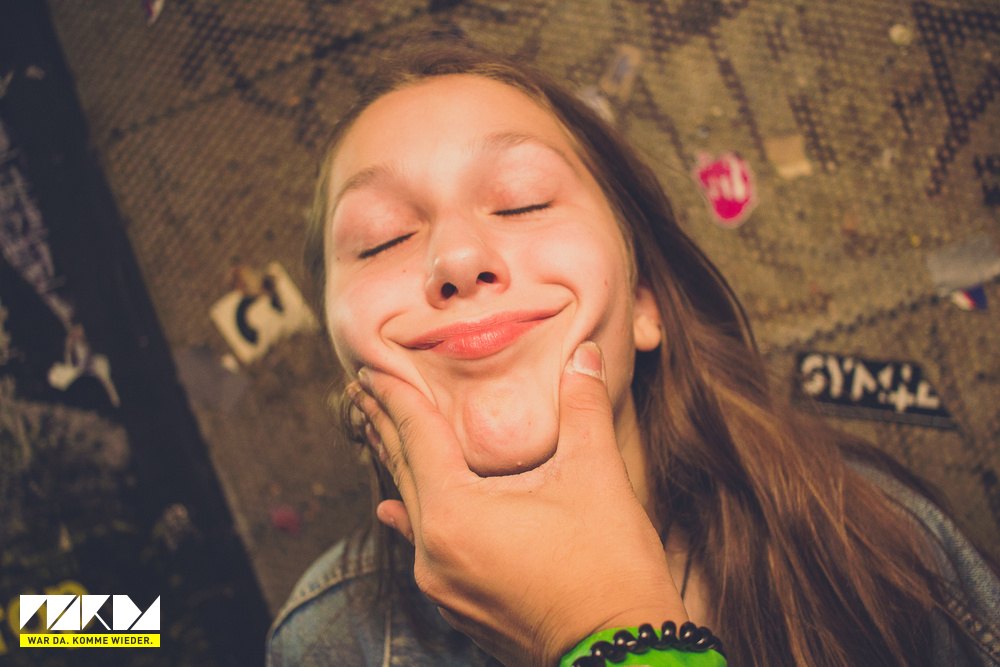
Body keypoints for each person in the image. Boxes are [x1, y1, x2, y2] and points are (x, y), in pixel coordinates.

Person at [267, 42, 1000, 667]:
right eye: (382, 239)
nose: (456, 257)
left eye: (524, 201)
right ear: (340, 346)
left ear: (644, 298)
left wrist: (604, 626)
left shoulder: (881, 547)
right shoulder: (329, 641)